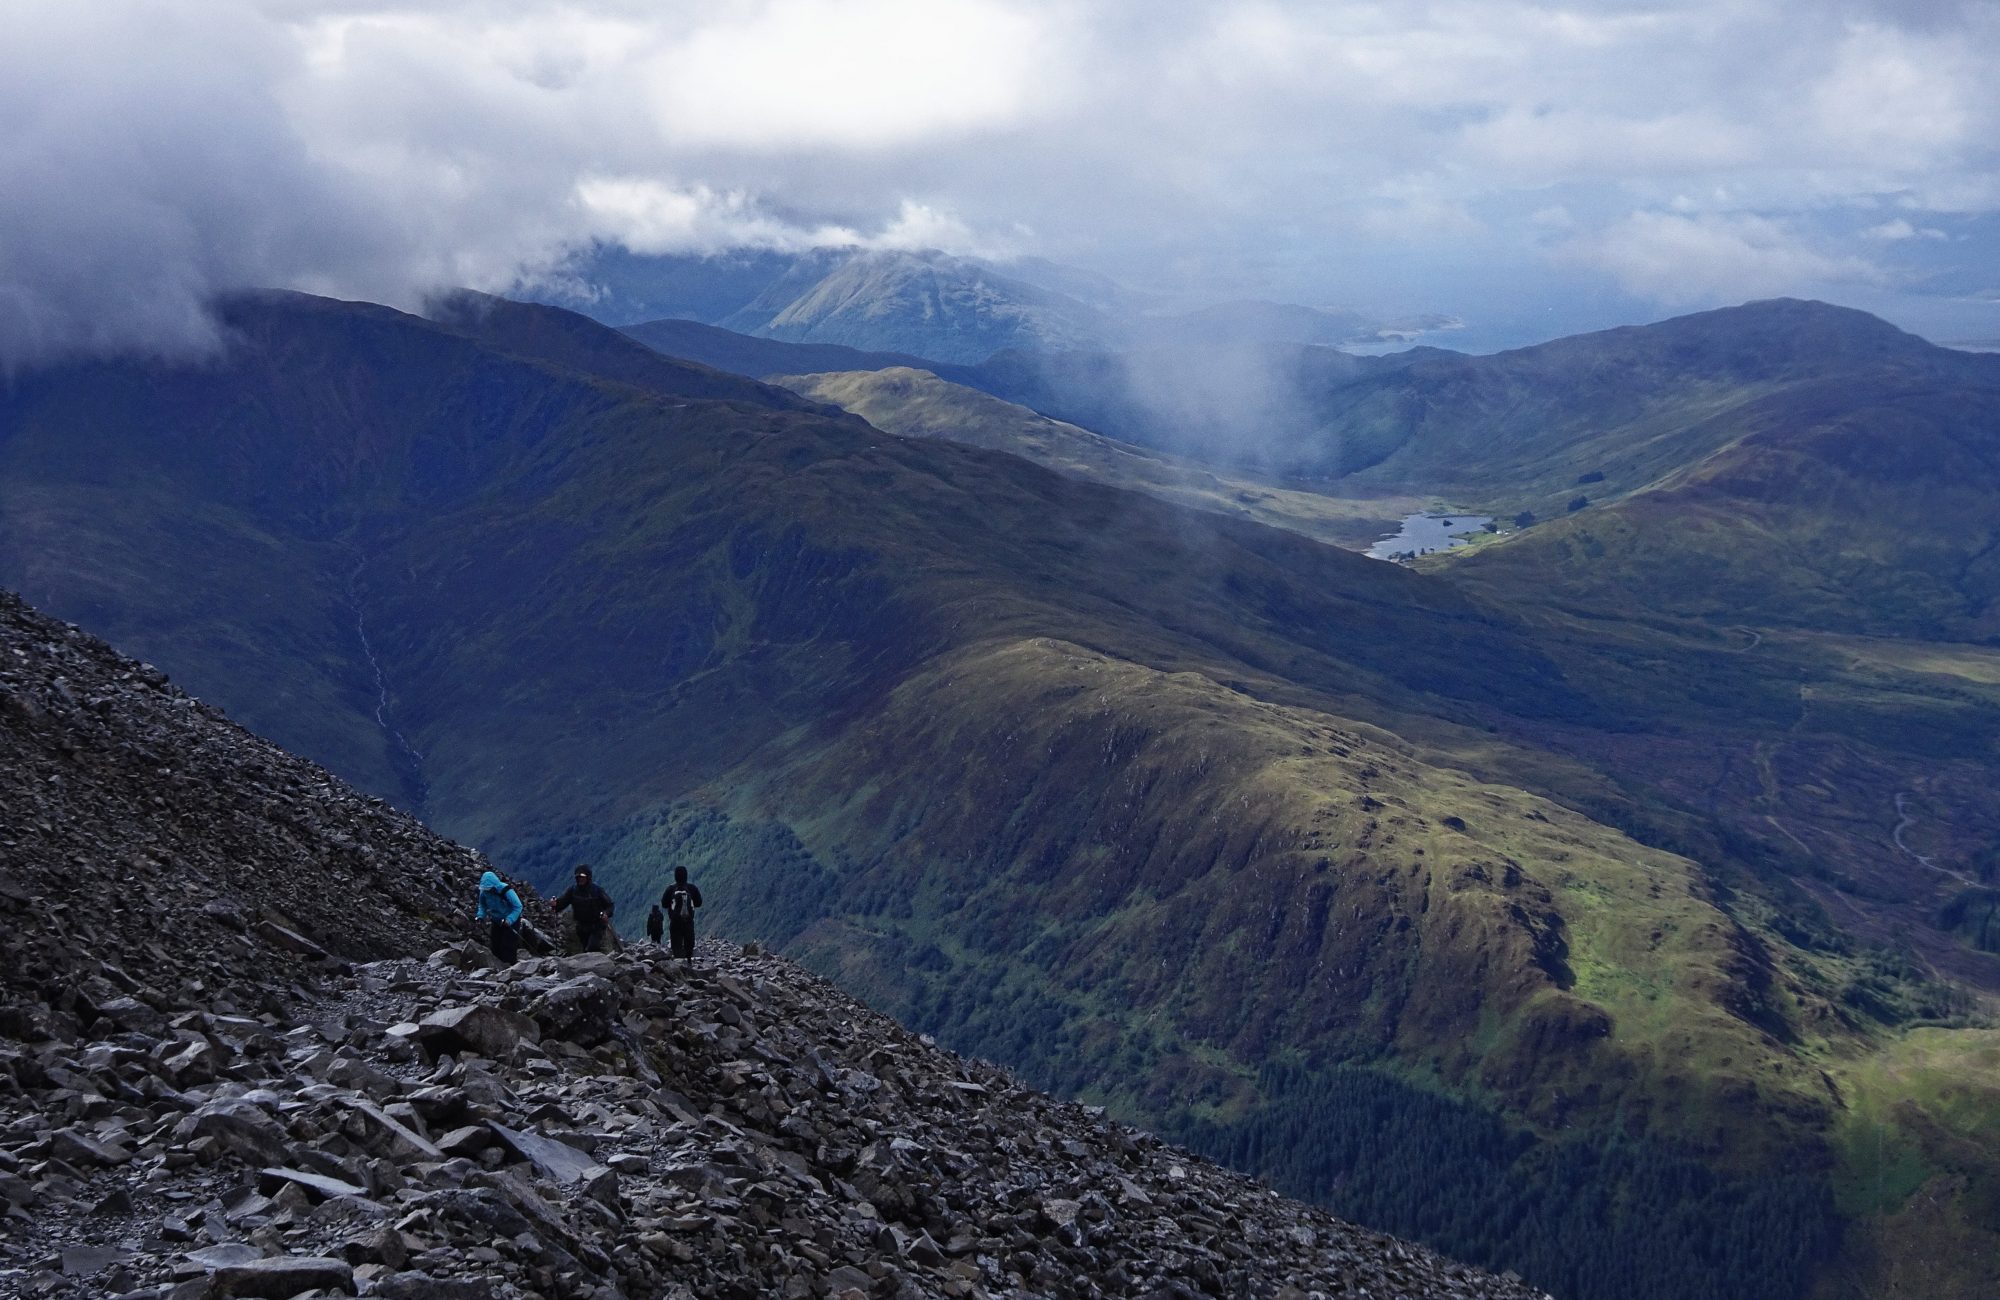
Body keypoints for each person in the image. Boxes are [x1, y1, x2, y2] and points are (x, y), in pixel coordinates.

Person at [550, 864, 616, 954]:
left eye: (583, 877)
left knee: (592, 947)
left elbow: (610, 905)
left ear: (588, 877)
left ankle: (598, 964)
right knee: (585, 948)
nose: (580, 879)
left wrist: (606, 914)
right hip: (581, 927)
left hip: (596, 926)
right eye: (578, 877)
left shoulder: (597, 890)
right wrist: (555, 904)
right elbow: (562, 903)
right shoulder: (573, 891)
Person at [474, 870, 523, 963]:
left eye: (489, 888)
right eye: (486, 888)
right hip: (496, 920)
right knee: (495, 944)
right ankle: (498, 967)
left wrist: (509, 919)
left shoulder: (505, 890)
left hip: (511, 920)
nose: (488, 890)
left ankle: (510, 967)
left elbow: (518, 906)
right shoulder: (484, 891)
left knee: (508, 945)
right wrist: (480, 916)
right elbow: (482, 905)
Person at [660, 866, 703, 961]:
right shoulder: (692, 888)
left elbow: (663, 904)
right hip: (688, 922)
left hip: (675, 922)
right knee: (689, 945)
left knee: (676, 946)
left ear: (675, 876)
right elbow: (699, 903)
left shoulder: (670, 889)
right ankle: (689, 963)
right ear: (686, 876)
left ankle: (678, 965)